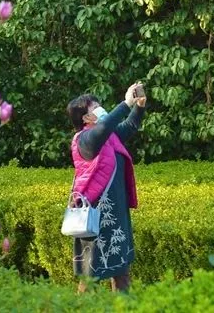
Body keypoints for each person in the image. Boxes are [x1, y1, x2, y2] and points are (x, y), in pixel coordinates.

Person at [66, 82, 146, 293]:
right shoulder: (84, 140)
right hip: (94, 216)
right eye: (95, 107)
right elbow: (103, 129)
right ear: (85, 118)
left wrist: (139, 105)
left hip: (116, 213)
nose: (101, 109)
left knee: (122, 271)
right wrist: (126, 103)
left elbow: (128, 127)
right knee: (90, 276)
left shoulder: (110, 137)